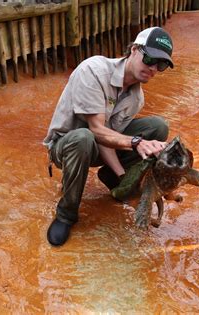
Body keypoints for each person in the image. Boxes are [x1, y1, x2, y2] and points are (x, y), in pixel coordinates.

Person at [43, 27, 174, 246]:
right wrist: (137, 143)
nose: (152, 68)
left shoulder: (136, 98)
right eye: (149, 58)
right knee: (83, 138)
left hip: (97, 144)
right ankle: (66, 214)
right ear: (133, 50)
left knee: (157, 127)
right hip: (67, 146)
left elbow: (109, 137)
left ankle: (114, 180)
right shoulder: (93, 70)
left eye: (160, 65)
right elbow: (96, 130)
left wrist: (125, 180)